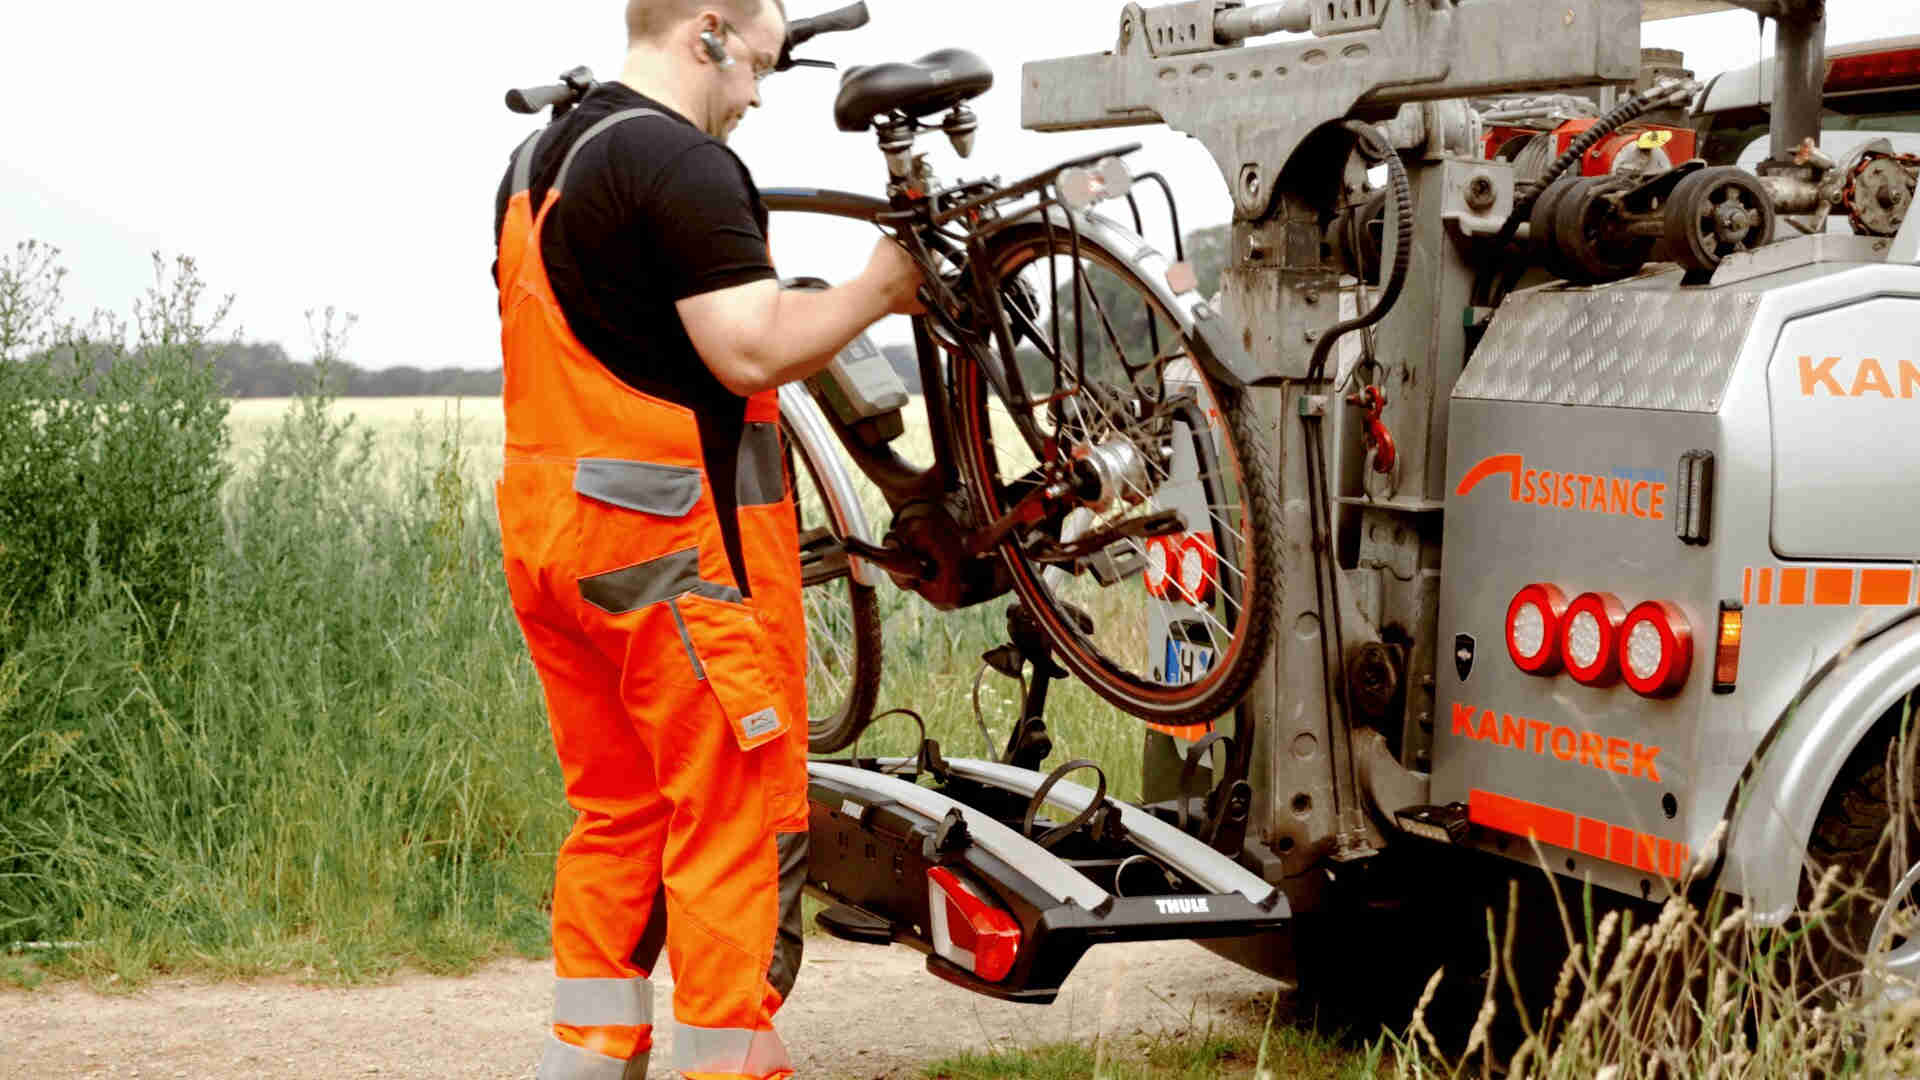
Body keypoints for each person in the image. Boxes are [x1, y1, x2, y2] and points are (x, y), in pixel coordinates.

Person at [491, 1, 924, 1076]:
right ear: (711, 33)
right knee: (729, 813)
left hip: (556, 543)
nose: (759, 95)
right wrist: (880, 288)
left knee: (617, 814)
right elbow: (746, 348)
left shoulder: (538, 156)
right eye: (758, 69)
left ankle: (590, 1058)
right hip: (668, 562)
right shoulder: (678, 161)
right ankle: (729, 1065)